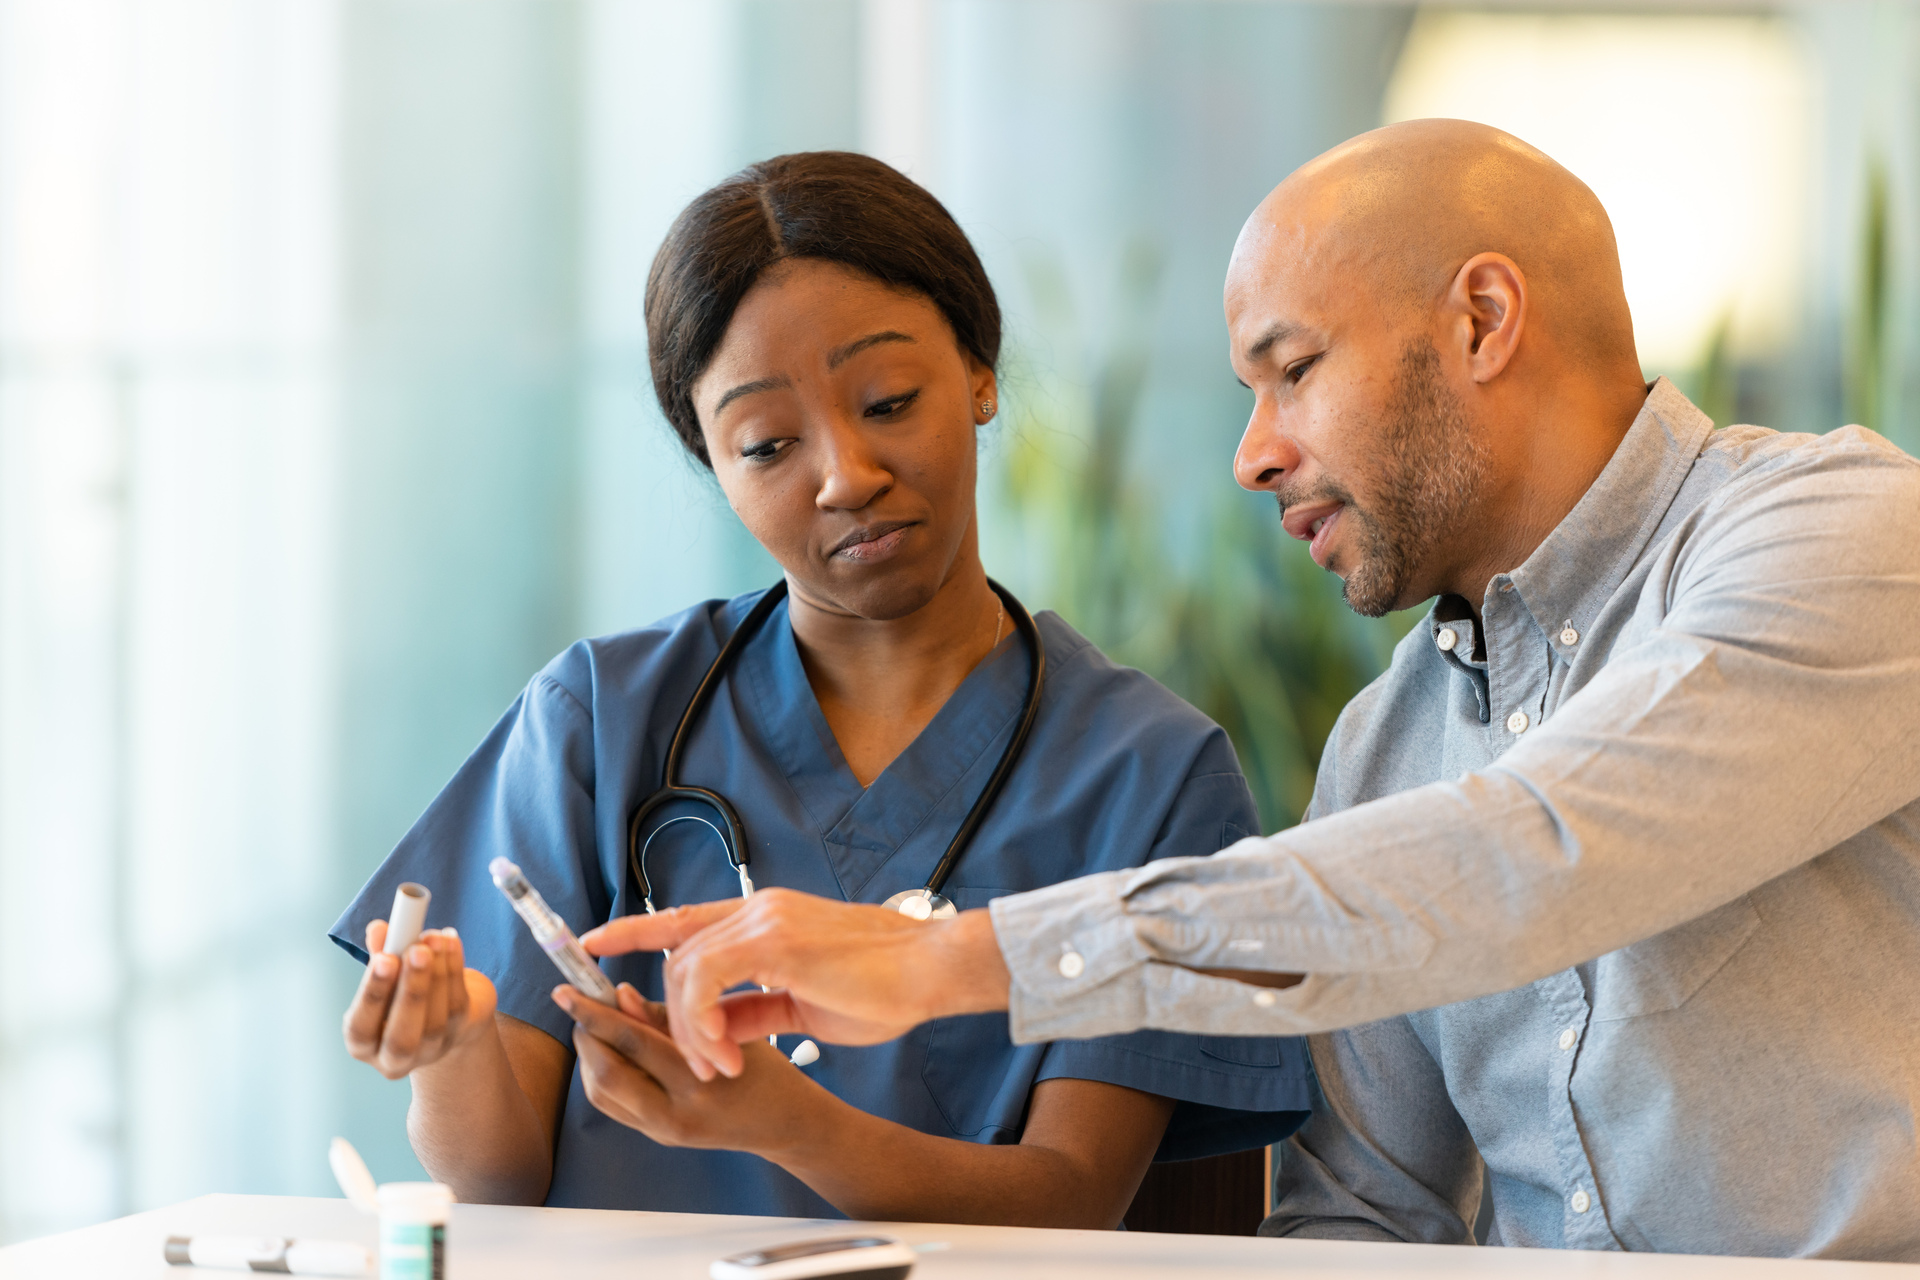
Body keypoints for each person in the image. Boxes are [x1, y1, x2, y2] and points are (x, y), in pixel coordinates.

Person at [607, 121, 1920, 1262]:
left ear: (1482, 319)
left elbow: (1543, 851)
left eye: (1292, 370)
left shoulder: (1844, 536)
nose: (1254, 454)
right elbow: (1360, 1217)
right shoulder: (1388, 743)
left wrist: (957, 957)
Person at [329, 150, 1309, 1227]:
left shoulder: (1147, 774)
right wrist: (454, 1043)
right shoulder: (600, 718)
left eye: (887, 400)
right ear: (713, 460)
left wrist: (788, 1121)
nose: (844, 473)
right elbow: (494, 1178)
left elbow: (1069, 1199)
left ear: (981, 374)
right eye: (767, 444)